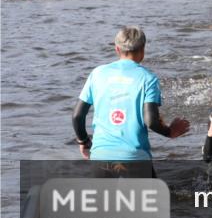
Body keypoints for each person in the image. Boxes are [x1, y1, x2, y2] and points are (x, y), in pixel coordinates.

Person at [72, 27, 190, 178]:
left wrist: (84, 141)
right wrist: (170, 132)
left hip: (101, 155)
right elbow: (151, 120)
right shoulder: (148, 78)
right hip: (135, 158)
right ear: (143, 50)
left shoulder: (97, 73)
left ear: (117, 49)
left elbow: (77, 116)